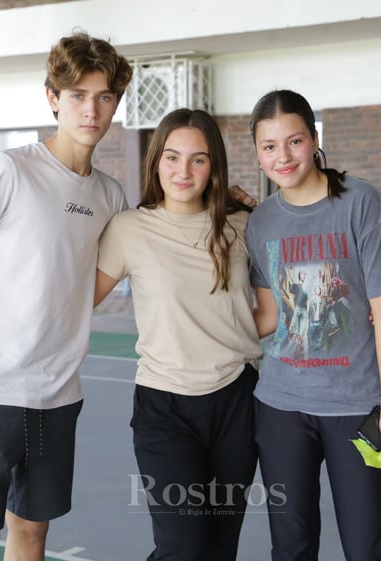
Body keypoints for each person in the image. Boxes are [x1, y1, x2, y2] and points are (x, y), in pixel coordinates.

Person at [0, 32, 132, 561]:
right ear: (53, 98)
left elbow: (84, 288)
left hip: (56, 397)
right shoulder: (9, 170)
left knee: (32, 537)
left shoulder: (109, 196)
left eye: (104, 97)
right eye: (78, 95)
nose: (92, 109)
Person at [245, 89, 381, 561]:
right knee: (291, 548)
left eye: (294, 141)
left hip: (355, 407)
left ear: (314, 139)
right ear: (257, 152)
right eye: (269, 146)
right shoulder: (261, 222)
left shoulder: (362, 203)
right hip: (279, 409)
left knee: (367, 548)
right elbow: (270, 315)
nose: (283, 156)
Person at [94, 108, 263, 561]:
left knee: (220, 548)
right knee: (182, 548)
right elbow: (74, 302)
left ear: (214, 167)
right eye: (172, 157)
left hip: (237, 402)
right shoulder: (129, 228)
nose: (182, 171)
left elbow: (285, 293)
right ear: (156, 161)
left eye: (198, 159)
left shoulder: (243, 226)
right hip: (164, 406)